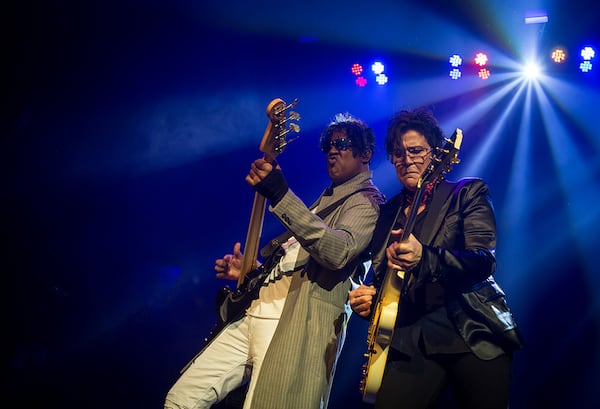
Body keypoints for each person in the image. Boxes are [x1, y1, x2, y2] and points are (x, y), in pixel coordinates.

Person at [165, 112, 385, 409]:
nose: (333, 150)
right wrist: (253, 271)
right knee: (180, 399)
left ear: (366, 154)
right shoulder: (325, 200)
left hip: (289, 325)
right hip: (254, 313)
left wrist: (281, 193)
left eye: (343, 144)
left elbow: (337, 251)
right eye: (328, 145)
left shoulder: (367, 201)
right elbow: (298, 264)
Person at [349, 108, 523, 409]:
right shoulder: (388, 213)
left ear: (435, 153)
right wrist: (369, 299)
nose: (407, 160)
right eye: (398, 153)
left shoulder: (466, 193)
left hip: (471, 333)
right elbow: (382, 279)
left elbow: (482, 261)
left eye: (416, 150)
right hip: (411, 341)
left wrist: (425, 257)